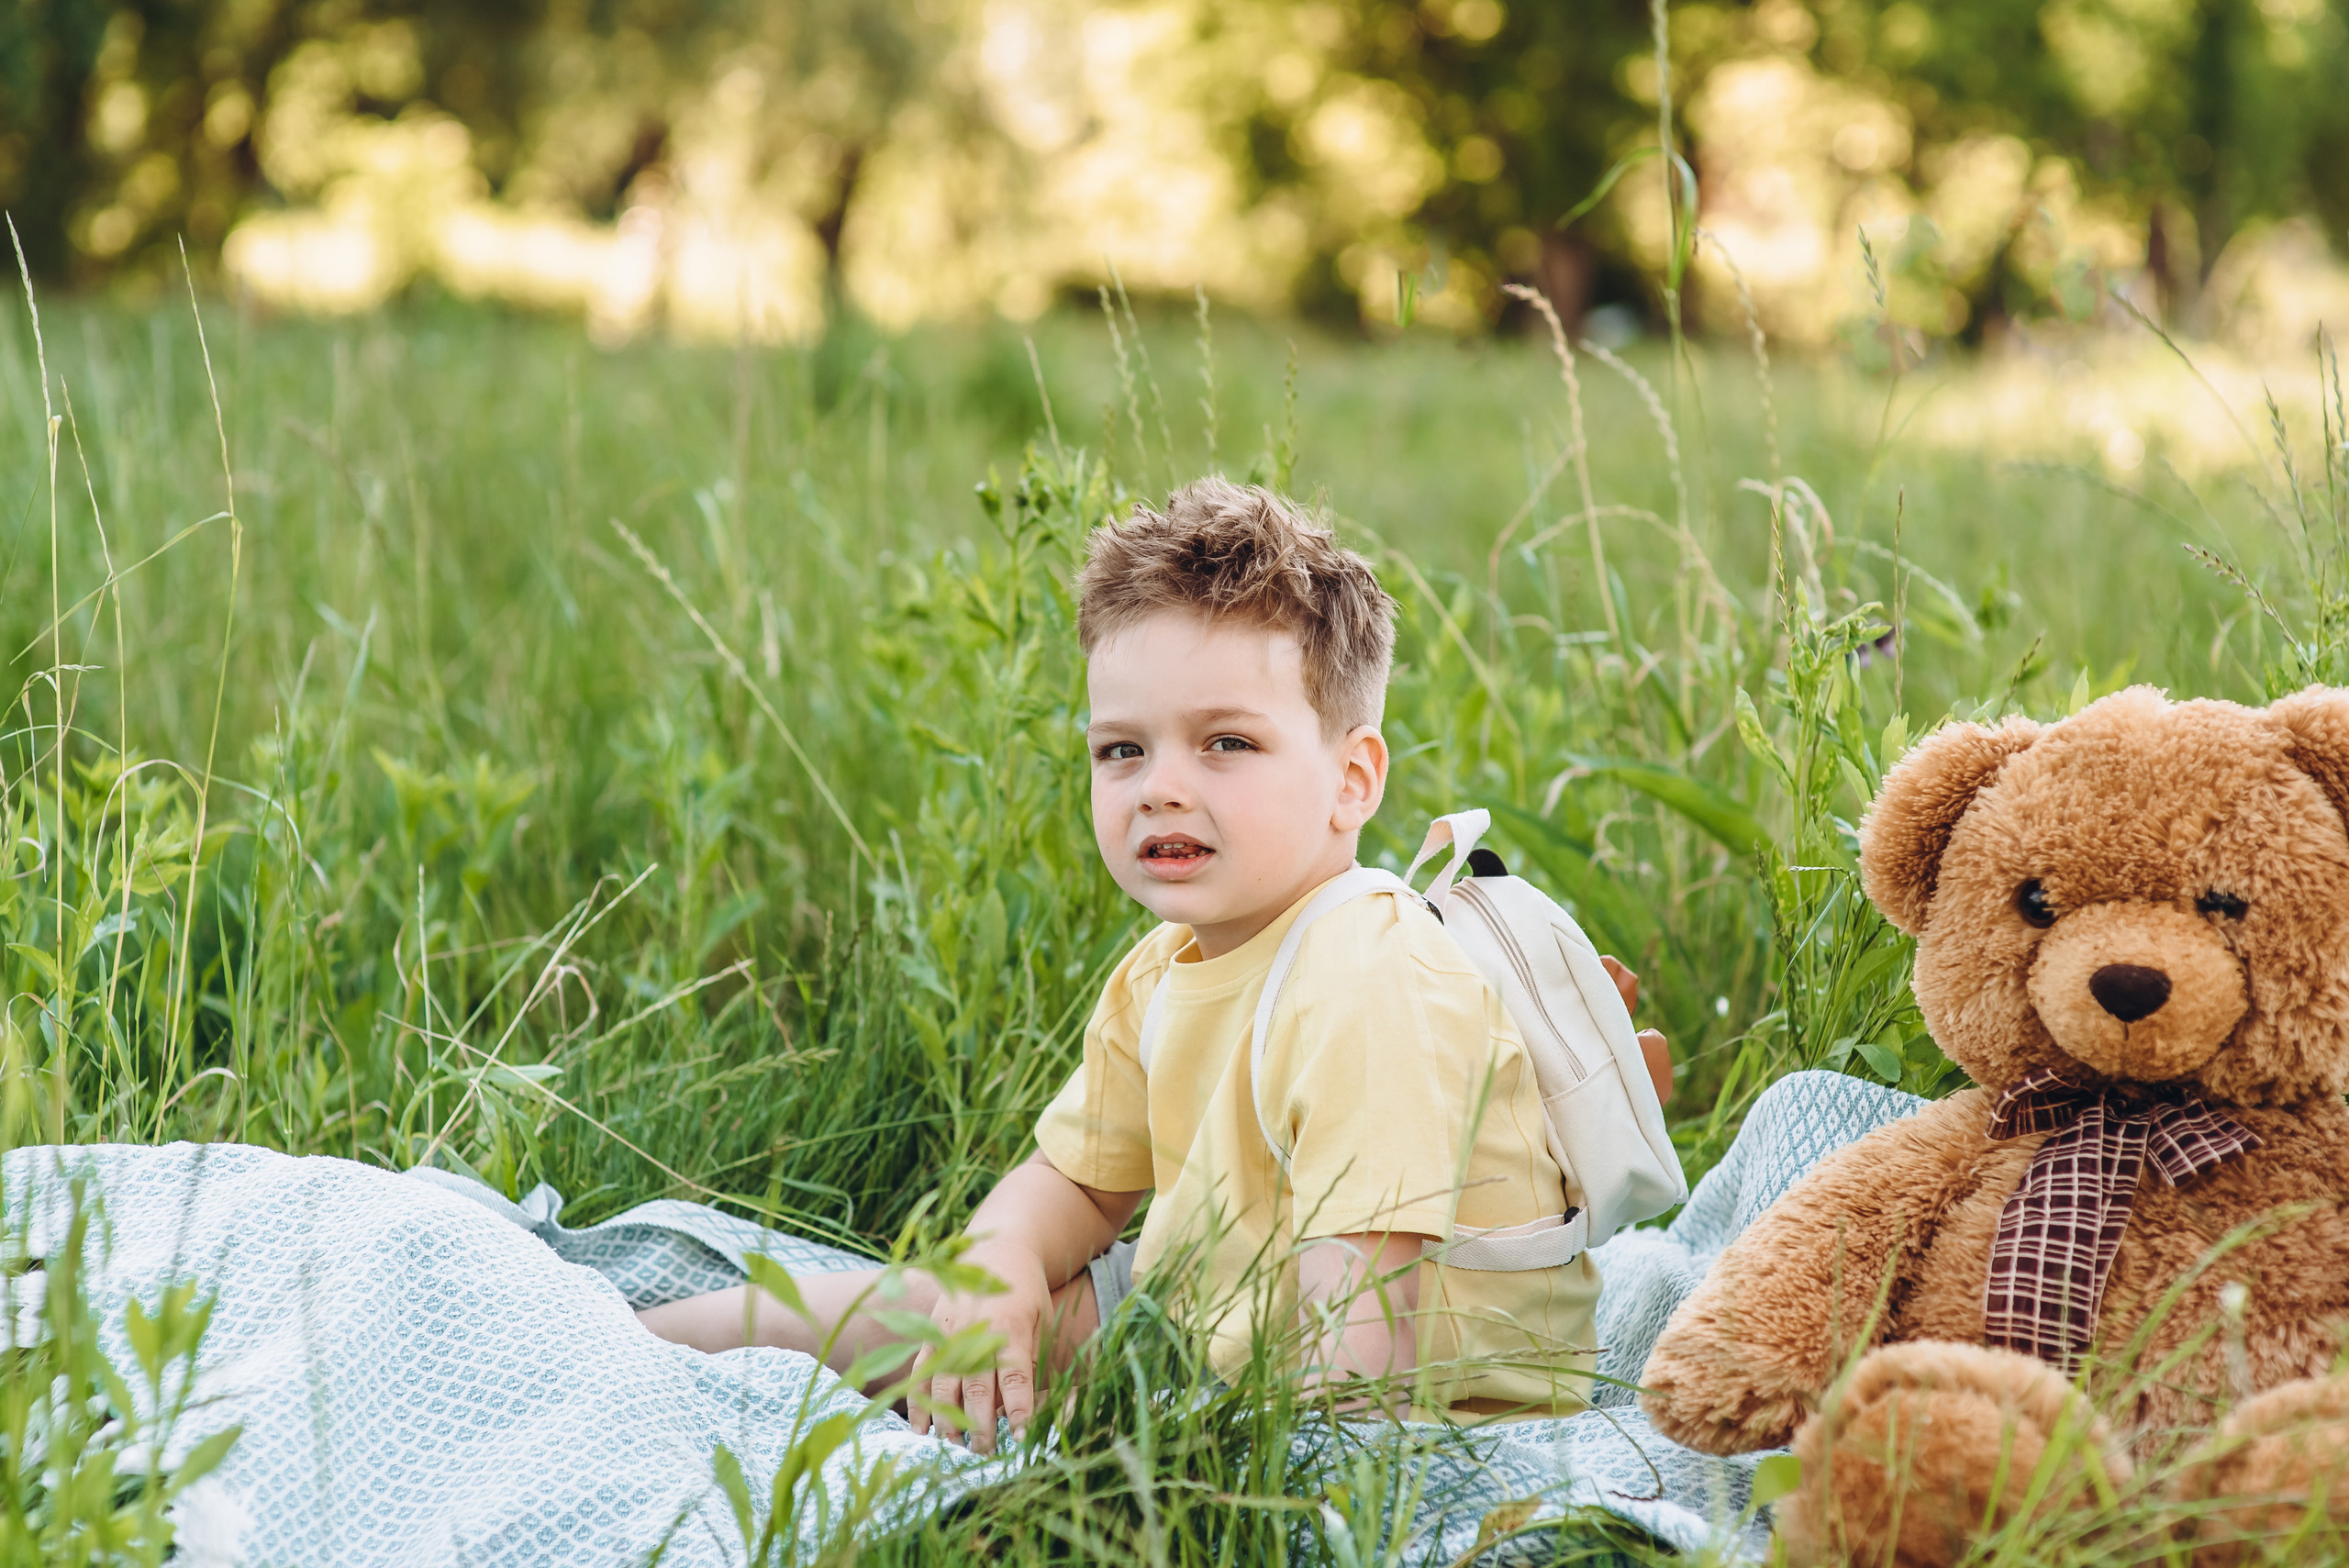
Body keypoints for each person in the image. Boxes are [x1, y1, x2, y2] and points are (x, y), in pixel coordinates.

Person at [639, 478, 1671, 1449]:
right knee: (930, 1318)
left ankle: (650, 1353)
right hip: (1211, 1298)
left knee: (1022, 1373)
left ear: (1350, 778)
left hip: (1420, 1379)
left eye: (1224, 743)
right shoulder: (1162, 967)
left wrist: (1224, 1466)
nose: (1159, 787)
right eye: (1121, 749)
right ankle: (620, 1347)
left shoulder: (1370, 975)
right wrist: (997, 1265)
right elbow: (1077, 1184)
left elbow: (1359, 1321)